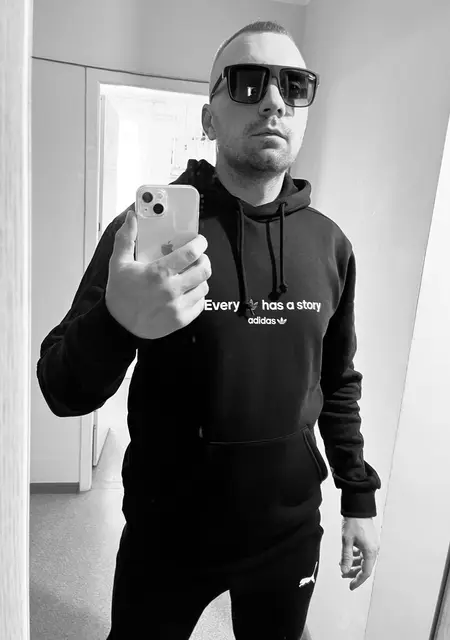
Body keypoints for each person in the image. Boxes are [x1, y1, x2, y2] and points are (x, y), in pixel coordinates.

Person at [37, 20, 382, 640]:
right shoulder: (145, 234)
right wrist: (117, 322)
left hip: (287, 535)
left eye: (294, 85)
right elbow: (61, 388)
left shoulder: (331, 245)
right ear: (209, 117)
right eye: (248, 82)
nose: (273, 100)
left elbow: (338, 383)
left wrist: (359, 498)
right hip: (166, 534)